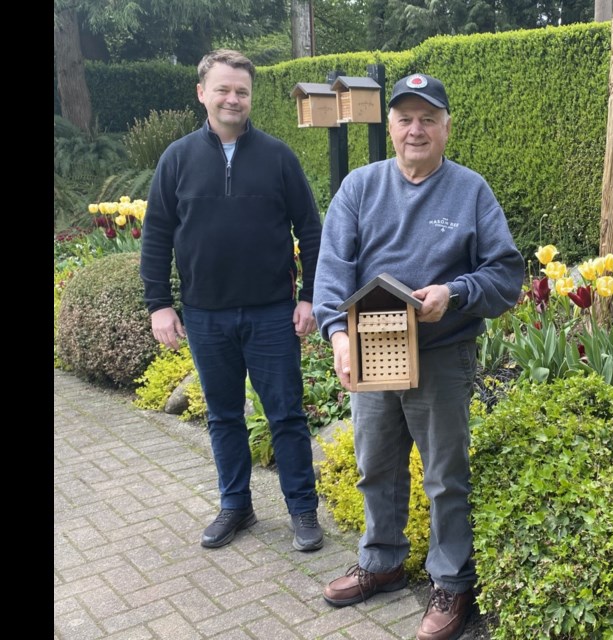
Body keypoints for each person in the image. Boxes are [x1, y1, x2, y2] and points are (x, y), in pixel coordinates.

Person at [313, 72, 524, 640]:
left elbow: (506, 276)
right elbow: (332, 272)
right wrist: (338, 336)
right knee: (374, 465)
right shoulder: (359, 187)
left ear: (446, 128)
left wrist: (453, 294)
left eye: (428, 119)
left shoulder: (470, 191)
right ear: (390, 126)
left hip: (440, 354)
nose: (416, 129)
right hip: (372, 349)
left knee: (444, 476)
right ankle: (380, 562)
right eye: (405, 118)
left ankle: (451, 583)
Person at [139, 49, 325, 553]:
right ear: (202, 93)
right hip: (205, 314)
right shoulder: (176, 159)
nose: (232, 98)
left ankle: (302, 511)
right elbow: (156, 235)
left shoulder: (278, 157)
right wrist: (159, 303)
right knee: (223, 417)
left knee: (285, 415)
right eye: (222, 89)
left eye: (241, 91)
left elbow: (311, 230)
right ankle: (236, 505)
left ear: (250, 97)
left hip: (270, 313)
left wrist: (309, 297)